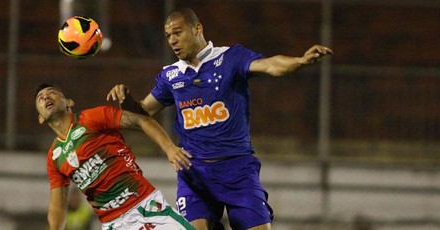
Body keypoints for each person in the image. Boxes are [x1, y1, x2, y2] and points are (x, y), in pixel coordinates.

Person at [106, 7, 333, 230]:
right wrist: (127, 101)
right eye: (168, 36)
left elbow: (271, 65)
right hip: (194, 174)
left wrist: (300, 61)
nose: (172, 41)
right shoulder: (170, 75)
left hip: (237, 170)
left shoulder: (230, 58)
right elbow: (144, 112)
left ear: (197, 29)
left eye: (178, 33)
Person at [34, 83, 194, 230]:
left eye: (52, 93)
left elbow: (140, 120)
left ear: (69, 102)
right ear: (40, 118)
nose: (46, 98)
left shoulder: (91, 118)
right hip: (113, 225)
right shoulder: (54, 157)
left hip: (145, 207)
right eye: (40, 98)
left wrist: (170, 148)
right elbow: (57, 208)